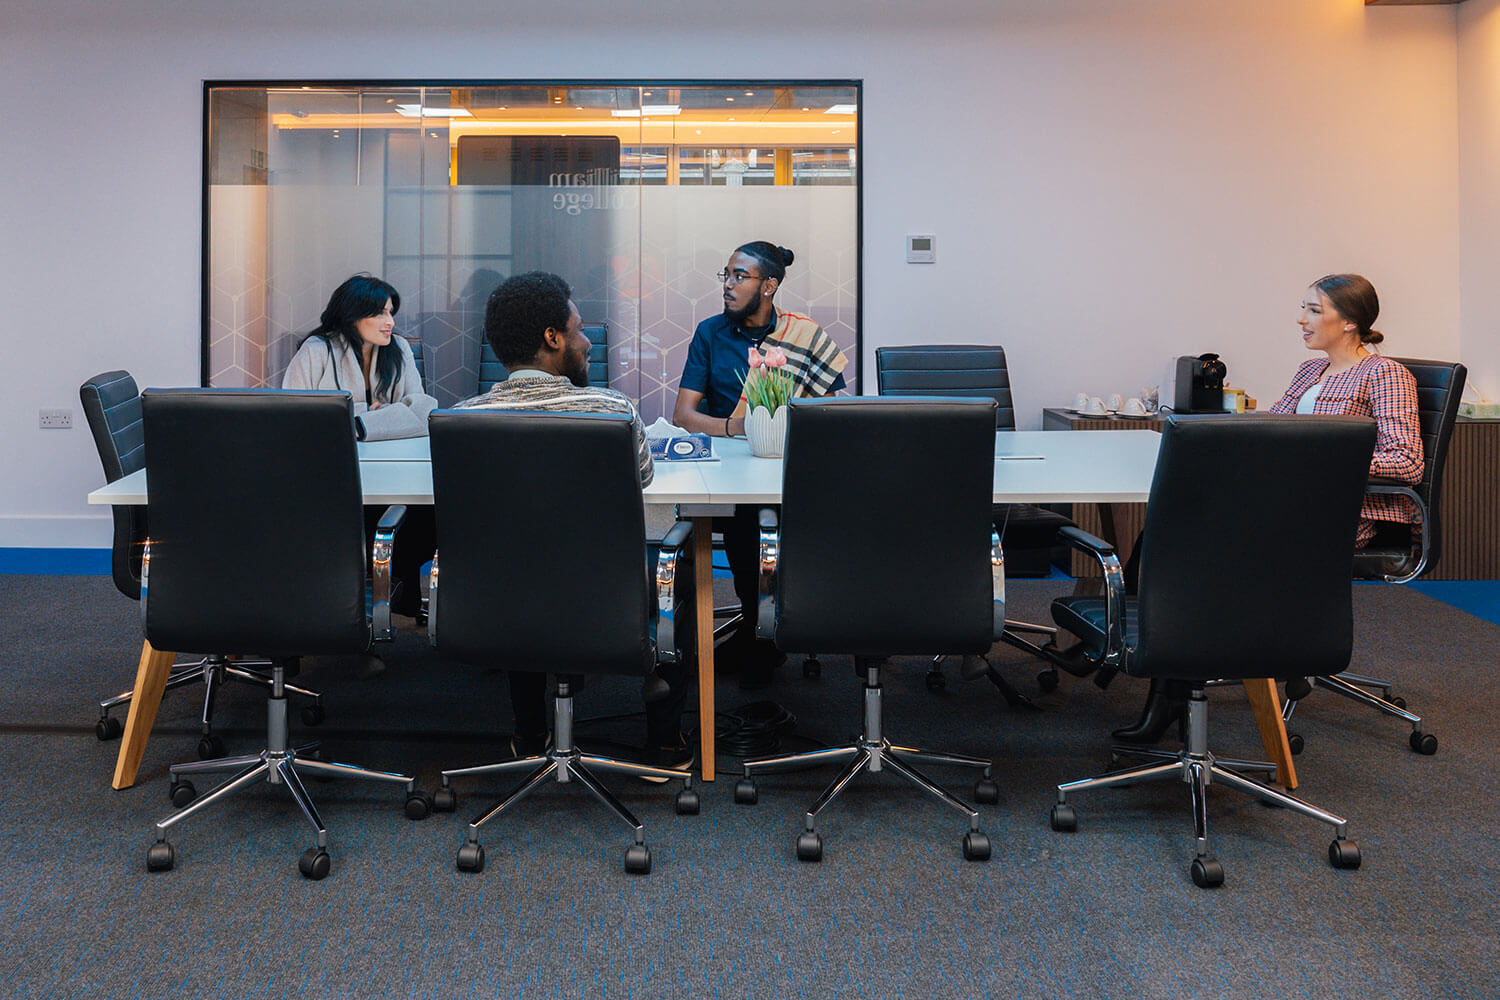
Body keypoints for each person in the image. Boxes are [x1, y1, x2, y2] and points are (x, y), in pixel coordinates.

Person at [1115, 273, 1424, 746]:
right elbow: (1278, 429)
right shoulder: (1310, 373)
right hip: (1287, 504)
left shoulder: (1386, 375)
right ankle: (1149, 664)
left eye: (1315, 310)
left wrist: (1321, 460)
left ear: (1351, 322)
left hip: (1344, 516)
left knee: (1194, 546)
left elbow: (1406, 462)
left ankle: (1169, 689)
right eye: (1303, 307)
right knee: (1164, 532)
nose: (1302, 319)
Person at [452, 271, 687, 772]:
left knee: (518, 563)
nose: (586, 342)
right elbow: (643, 478)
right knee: (679, 571)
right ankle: (666, 744)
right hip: (603, 587)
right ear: (552, 338)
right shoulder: (612, 411)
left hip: (496, 591)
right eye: (578, 330)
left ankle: (529, 732)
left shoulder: (464, 420)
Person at [671, 241, 850, 689]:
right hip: (733, 468)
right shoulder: (710, 333)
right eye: (726, 275)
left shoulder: (802, 334)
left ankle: (777, 627)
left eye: (739, 276)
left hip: (791, 466)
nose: (728, 286)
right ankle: (759, 627)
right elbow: (683, 415)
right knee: (745, 519)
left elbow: (830, 412)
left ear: (768, 285)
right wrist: (735, 428)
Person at [282, 274, 438, 616]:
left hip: (396, 475)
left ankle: (387, 601)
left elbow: (424, 409)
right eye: (381, 314)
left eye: (391, 313)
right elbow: (297, 421)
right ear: (353, 316)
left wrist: (357, 422)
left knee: (428, 518)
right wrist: (388, 416)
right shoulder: (316, 352)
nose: (390, 322)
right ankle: (353, 613)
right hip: (328, 482)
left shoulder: (398, 350)